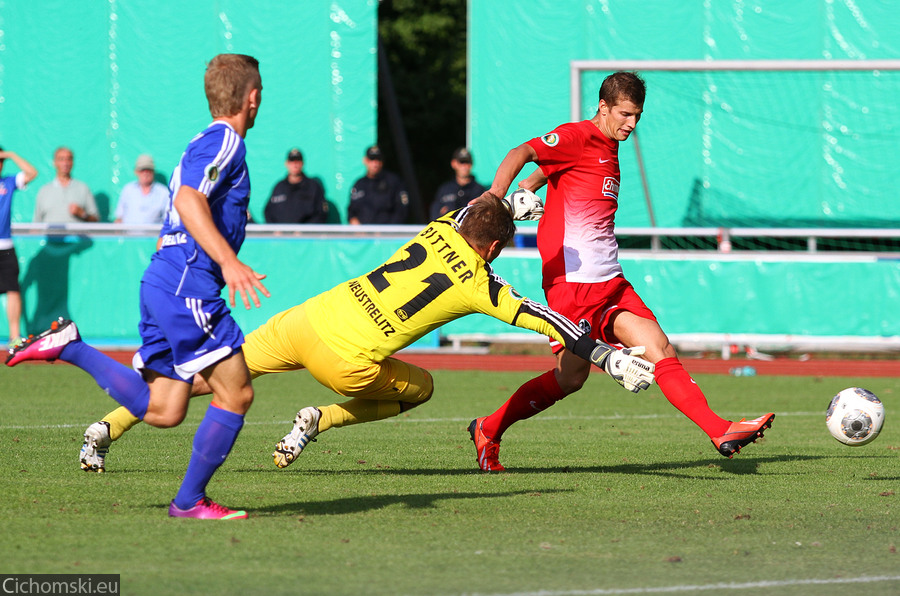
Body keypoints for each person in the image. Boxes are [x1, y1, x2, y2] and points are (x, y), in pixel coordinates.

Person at [70, 196, 654, 474]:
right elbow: (549, 321)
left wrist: (506, 204)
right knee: (421, 388)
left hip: (306, 319)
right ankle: (320, 419)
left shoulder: (438, 227)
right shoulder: (484, 284)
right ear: (496, 248)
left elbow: (469, 212)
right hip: (347, 360)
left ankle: (105, 427)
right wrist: (605, 355)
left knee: (202, 379)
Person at [467, 71, 775, 471]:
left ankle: (721, 430)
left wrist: (529, 188)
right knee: (569, 378)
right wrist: (497, 200)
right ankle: (489, 428)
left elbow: (547, 170)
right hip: (572, 286)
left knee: (660, 348)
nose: (631, 124)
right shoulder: (577, 136)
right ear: (603, 107)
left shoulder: (610, 144)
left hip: (610, 281)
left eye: (638, 116)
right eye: (625, 114)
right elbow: (520, 152)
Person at [7, 53, 269, 520]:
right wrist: (228, 261)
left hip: (165, 278)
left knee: (166, 409)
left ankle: (70, 346)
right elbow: (189, 199)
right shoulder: (228, 141)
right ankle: (188, 502)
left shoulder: (204, 140)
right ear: (252, 97)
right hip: (190, 280)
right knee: (238, 393)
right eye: (260, 91)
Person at [0, 147, 39, 345]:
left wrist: (11, 155)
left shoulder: (8, 182)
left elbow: (33, 173)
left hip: (5, 246)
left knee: (13, 289)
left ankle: (14, 337)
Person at [263, 148, 329, 223]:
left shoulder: (313, 187)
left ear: (302, 163)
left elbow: (321, 214)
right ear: (286, 164)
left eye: (298, 161)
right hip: (281, 234)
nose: (295, 165)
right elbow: (268, 212)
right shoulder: (279, 187)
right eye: (292, 161)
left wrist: (304, 231)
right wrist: (276, 230)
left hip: (307, 234)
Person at [33, 147, 99, 223]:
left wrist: (82, 214)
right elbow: (36, 223)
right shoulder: (43, 191)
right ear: (54, 163)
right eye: (61, 159)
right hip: (51, 234)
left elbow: (95, 220)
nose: (65, 163)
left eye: (69, 159)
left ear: (72, 162)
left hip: (76, 234)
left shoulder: (83, 188)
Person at [347, 145, 409, 225]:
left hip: (387, 234)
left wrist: (386, 230)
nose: (375, 164)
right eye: (372, 159)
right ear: (365, 161)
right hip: (363, 235)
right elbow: (351, 211)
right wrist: (356, 225)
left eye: (378, 159)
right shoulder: (359, 184)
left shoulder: (393, 182)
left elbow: (402, 211)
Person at [430, 147, 485, 220]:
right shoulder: (445, 189)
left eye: (468, 162)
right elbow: (434, 216)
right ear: (454, 164)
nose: (465, 166)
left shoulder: (478, 190)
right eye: (462, 162)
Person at [114, 154, 169, 224]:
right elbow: (119, 218)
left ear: (153, 171)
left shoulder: (163, 192)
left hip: (155, 234)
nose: (145, 173)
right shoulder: (127, 190)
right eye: (142, 170)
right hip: (129, 234)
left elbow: (168, 220)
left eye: (148, 170)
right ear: (136, 172)